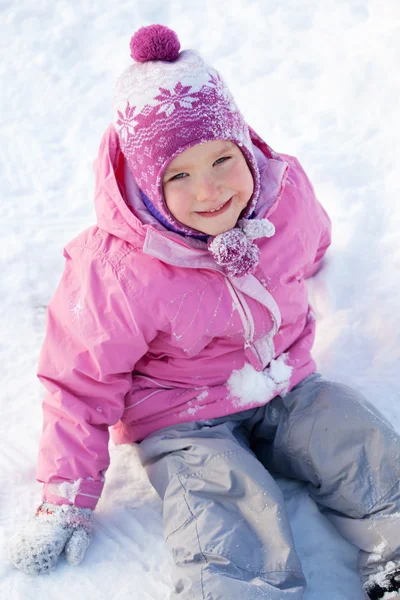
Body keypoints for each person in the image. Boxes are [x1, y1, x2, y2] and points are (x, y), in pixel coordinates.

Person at [9, 24, 400, 600]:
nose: (210, 189)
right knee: (222, 501)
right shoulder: (117, 269)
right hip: (183, 415)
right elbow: (79, 385)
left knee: (355, 437)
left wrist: (311, 267)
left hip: (285, 379)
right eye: (179, 175)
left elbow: (311, 243)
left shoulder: (283, 197)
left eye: (222, 159)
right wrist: (65, 497)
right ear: (144, 184)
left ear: (244, 146)